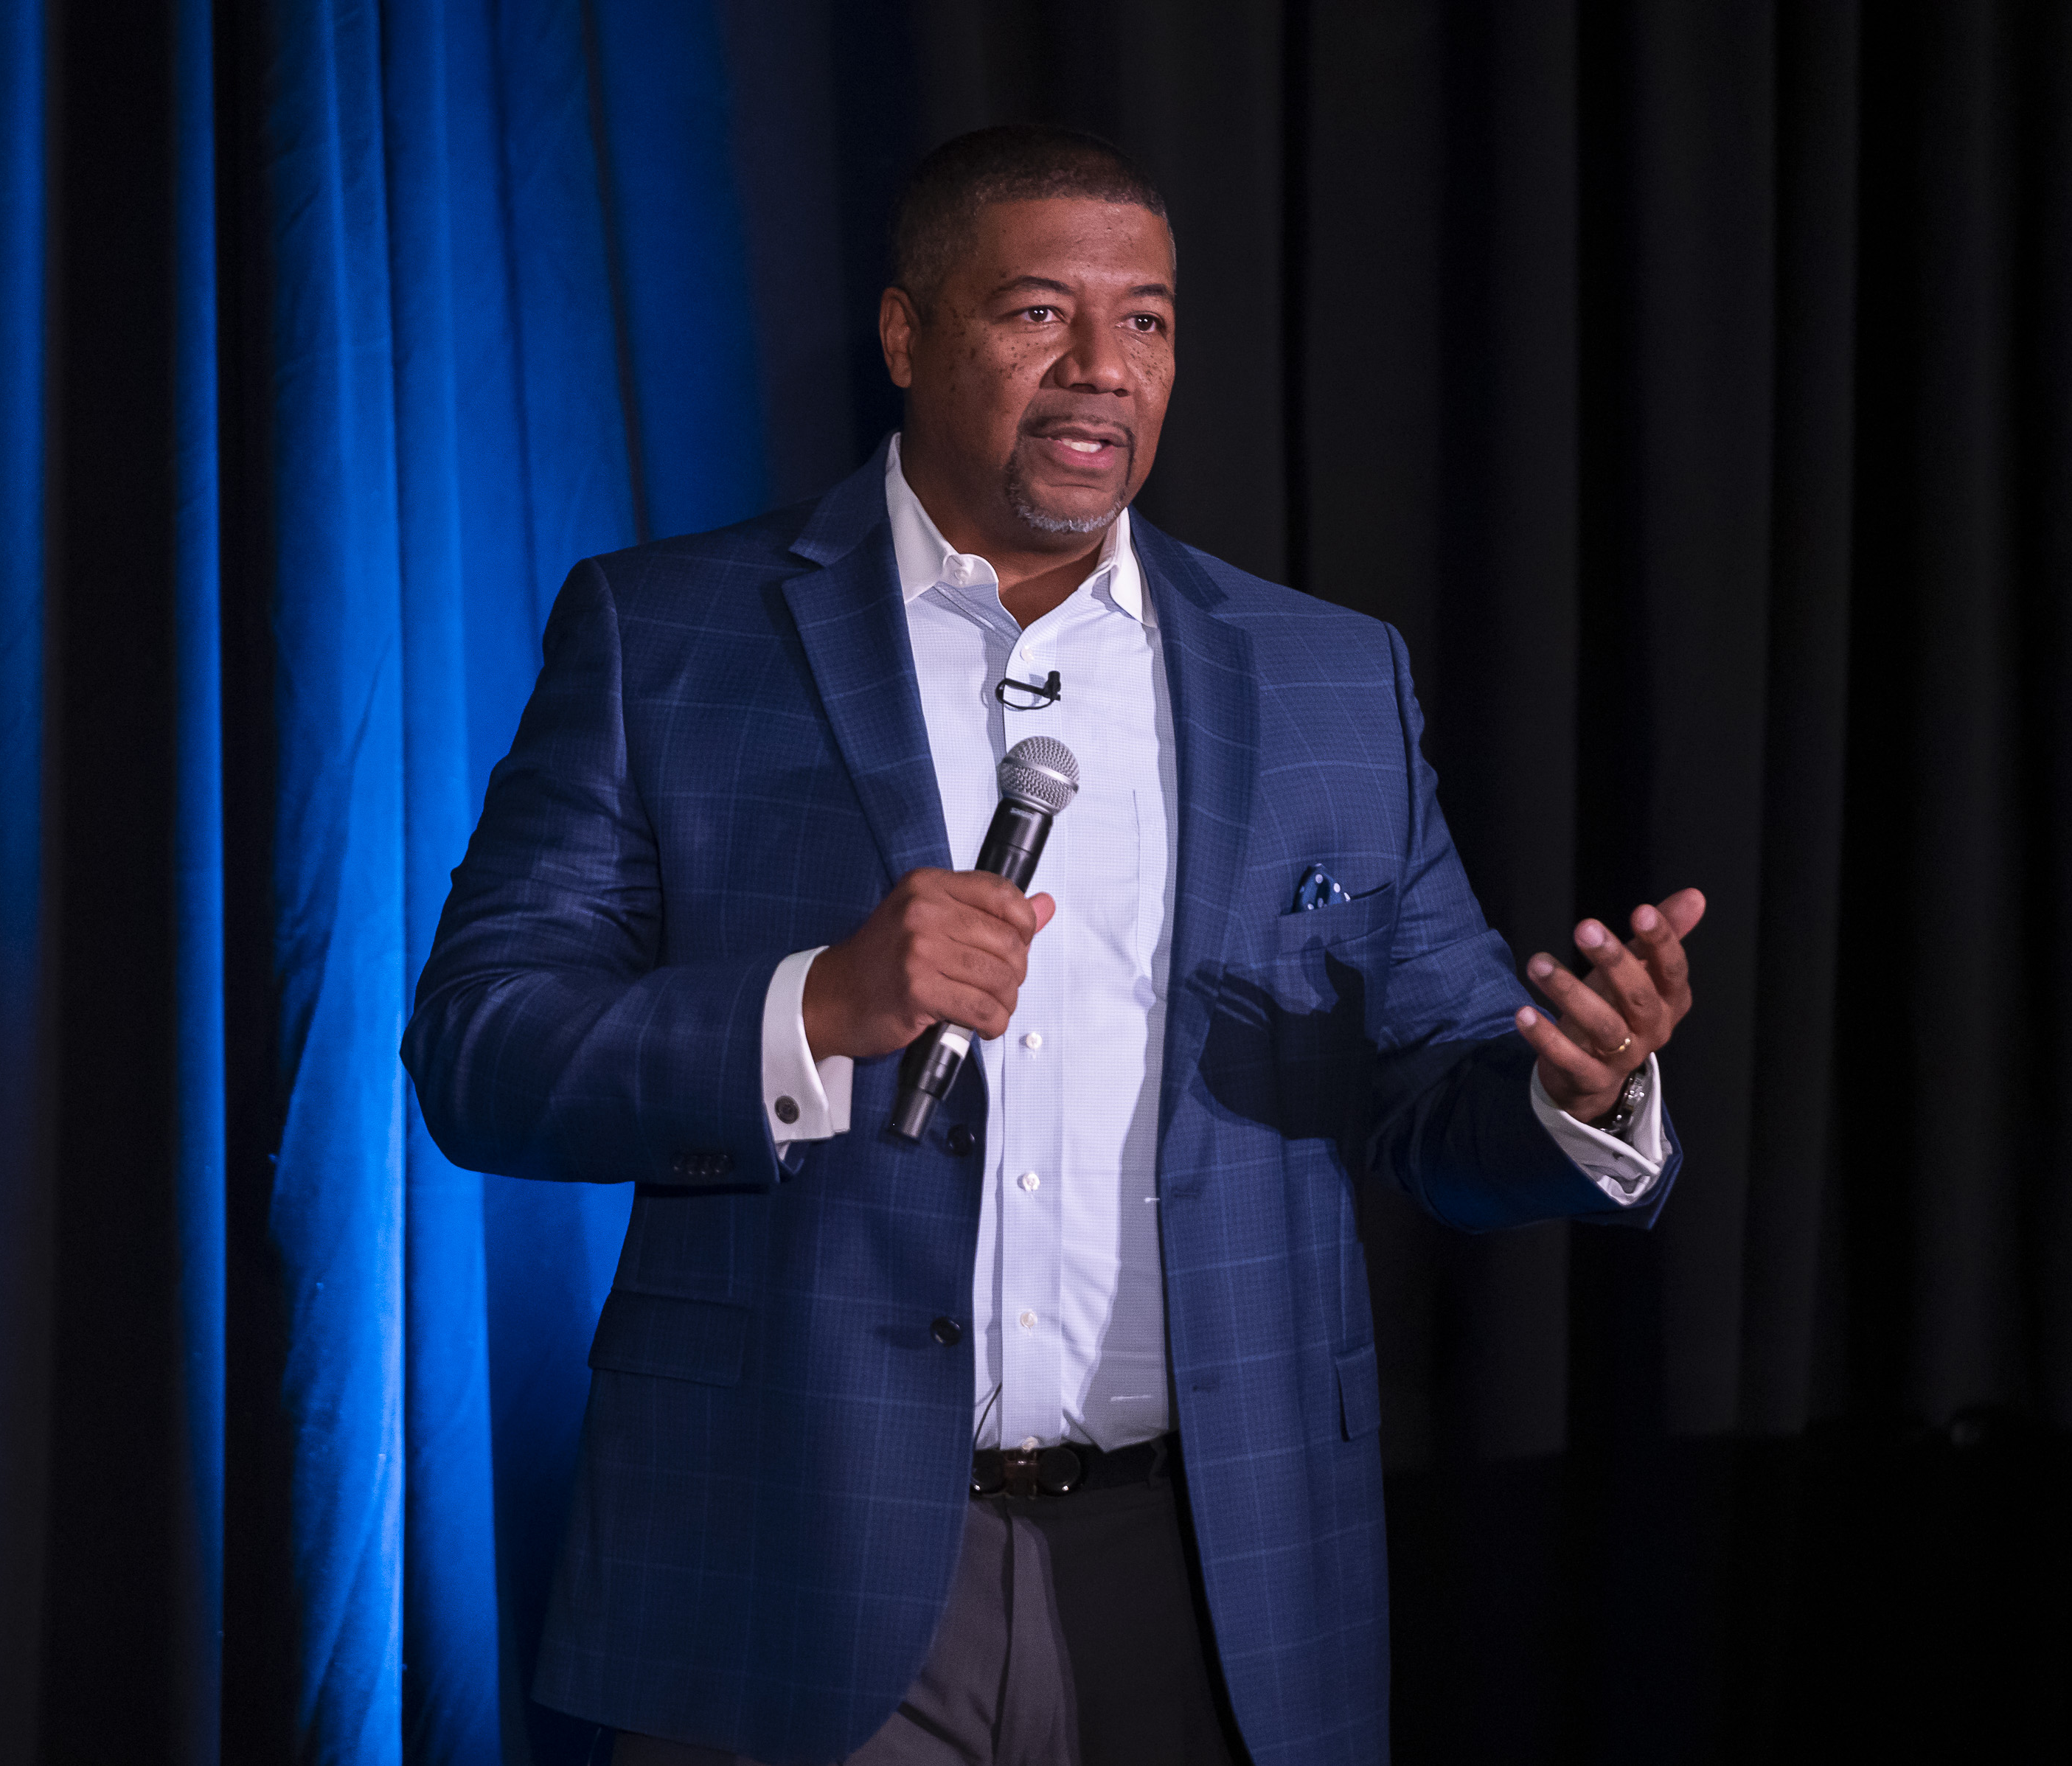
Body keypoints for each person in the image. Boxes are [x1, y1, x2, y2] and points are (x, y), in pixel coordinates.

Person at [404, 124, 1704, 1766]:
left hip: (1211, 1573)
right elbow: (481, 1047)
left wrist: (1578, 1093)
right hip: (789, 1556)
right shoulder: (666, 632)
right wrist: (816, 1006)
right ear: (906, 334)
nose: (1102, 367)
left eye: (1145, 321)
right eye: (1037, 313)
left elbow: (1435, 1095)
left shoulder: (1327, 675)